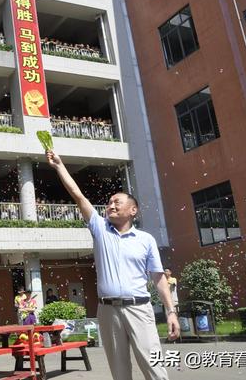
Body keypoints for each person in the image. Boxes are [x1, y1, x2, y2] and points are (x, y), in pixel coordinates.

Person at [46, 150, 179, 380]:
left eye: (117, 202)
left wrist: (171, 312)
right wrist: (59, 166)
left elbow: (159, 279)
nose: (111, 206)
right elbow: (78, 195)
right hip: (108, 311)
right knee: (120, 372)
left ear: (133, 210)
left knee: (154, 368)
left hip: (139, 309)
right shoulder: (100, 229)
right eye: (108, 203)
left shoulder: (146, 240)